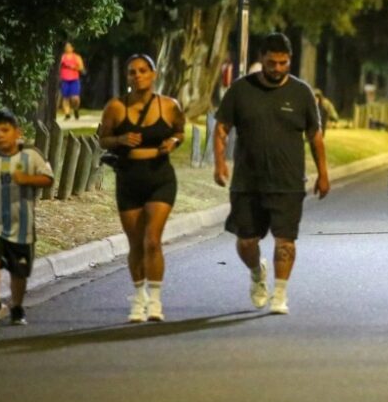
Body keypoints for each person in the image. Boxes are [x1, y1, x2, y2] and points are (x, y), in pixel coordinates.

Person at [214, 32, 330, 315]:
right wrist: (219, 163)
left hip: (288, 183)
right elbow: (221, 129)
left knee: (285, 241)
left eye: (282, 62)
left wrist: (323, 173)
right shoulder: (241, 90)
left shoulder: (302, 93)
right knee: (246, 242)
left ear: (289, 60)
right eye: (271, 63)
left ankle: (280, 294)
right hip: (247, 182)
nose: (277, 68)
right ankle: (257, 273)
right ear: (262, 60)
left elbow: (315, 136)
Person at [98, 54, 186, 322]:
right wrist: (121, 138)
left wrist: (172, 141)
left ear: (153, 74)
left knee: (152, 240)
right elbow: (103, 139)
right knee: (136, 242)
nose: (137, 76)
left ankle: (156, 302)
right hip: (129, 178)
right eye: (132, 72)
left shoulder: (169, 106)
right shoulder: (115, 108)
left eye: (143, 71)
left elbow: (180, 132)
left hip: (160, 176)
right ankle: (139, 298)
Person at [0, 109, 54, 326]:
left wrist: (27, 179)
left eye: (4, 130)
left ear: (17, 132)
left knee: (19, 272)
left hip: (22, 226)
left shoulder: (31, 155)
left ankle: (17, 306)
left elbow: (48, 179)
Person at [58, 42, 86, 120]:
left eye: (69, 46)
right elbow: (58, 66)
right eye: (66, 47)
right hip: (65, 79)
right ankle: (67, 114)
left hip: (74, 79)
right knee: (65, 97)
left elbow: (81, 68)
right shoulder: (62, 57)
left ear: (72, 48)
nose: (67, 48)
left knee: (75, 98)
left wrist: (73, 67)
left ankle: (76, 109)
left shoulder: (76, 57)